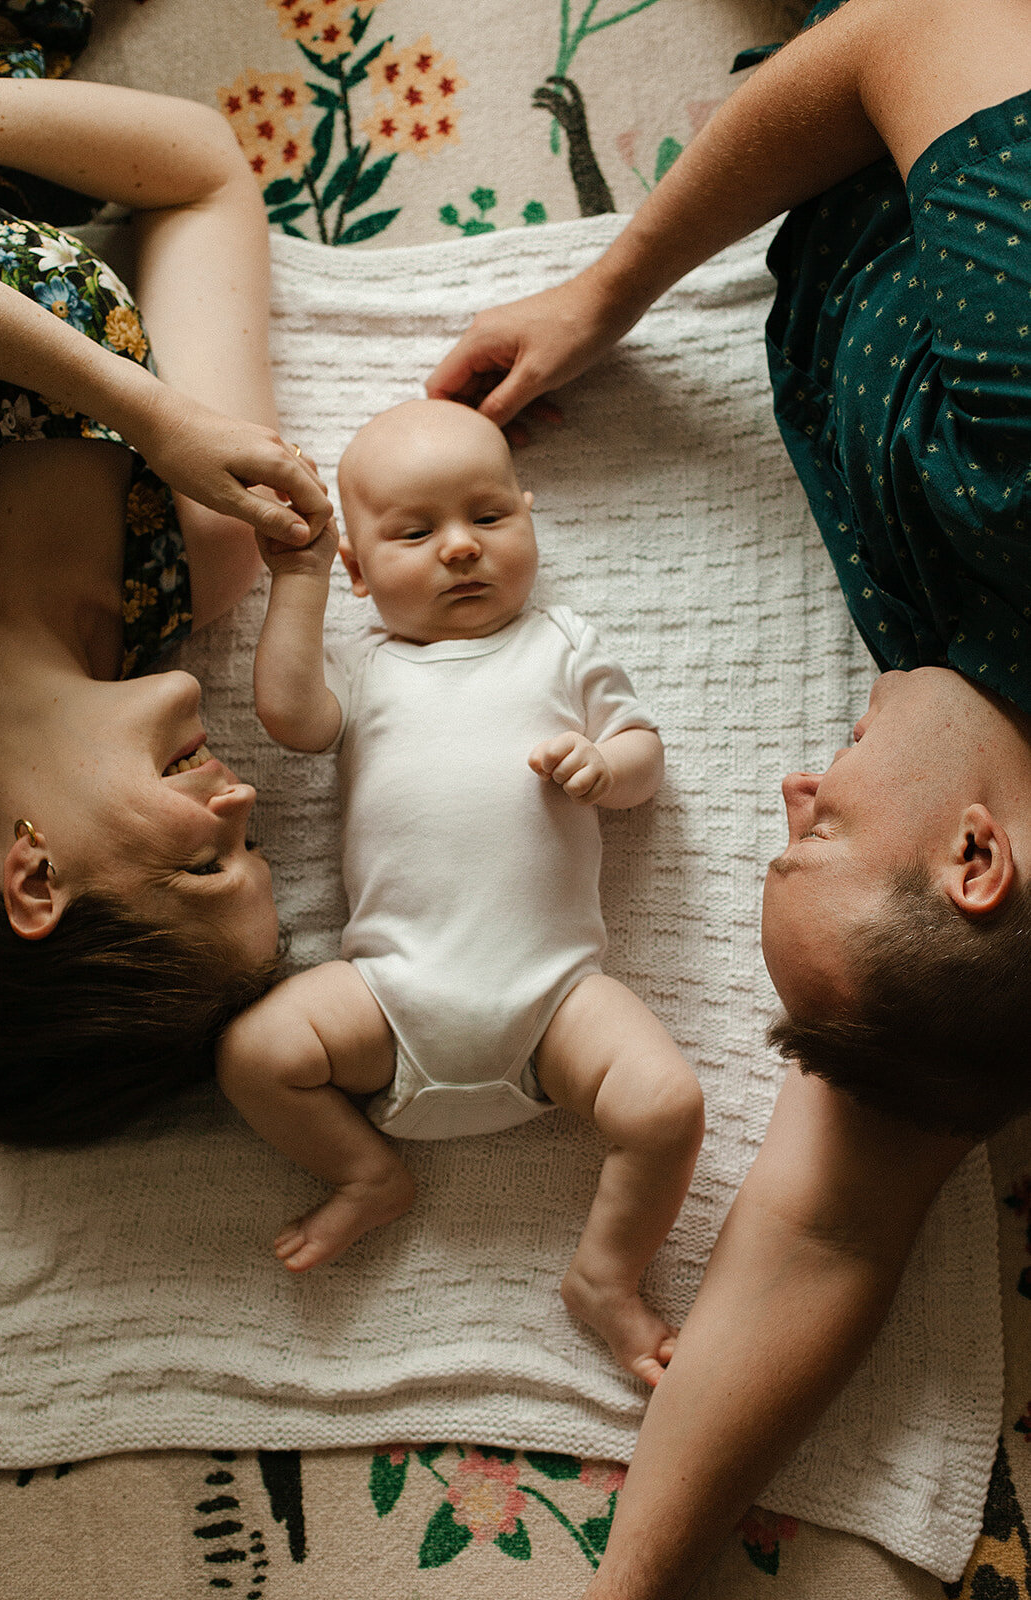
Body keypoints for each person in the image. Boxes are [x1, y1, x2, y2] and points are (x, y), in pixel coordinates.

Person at [425, 0, 1031, 1593]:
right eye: (817, 828)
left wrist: (629, 1585)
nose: (796, 776)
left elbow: (830, 1230)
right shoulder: (1019, 468)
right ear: (973, 859)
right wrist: (606, 288)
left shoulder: (971, 933)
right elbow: (928, 25)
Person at [216, 397, 705, 1386]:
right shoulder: (366, 667)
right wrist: (300, 580)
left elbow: (644, 750)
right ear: (358, 568)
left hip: (554, 998)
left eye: (488, 518)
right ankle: (366, 1171)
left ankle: (604, 1276)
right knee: (256, 1052)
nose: (459, 550)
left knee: (667, 1105)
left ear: (527, 518)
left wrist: (606, 768)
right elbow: (289, 715)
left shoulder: (559, 643)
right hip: (393, 994)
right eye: (413, 532)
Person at [0, 10, 335, 1148]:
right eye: (256, 845)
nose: (242, 804)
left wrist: (148, 409)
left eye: (203, 859)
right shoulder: (201, 554)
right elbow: (202, 176)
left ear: (35, 878)